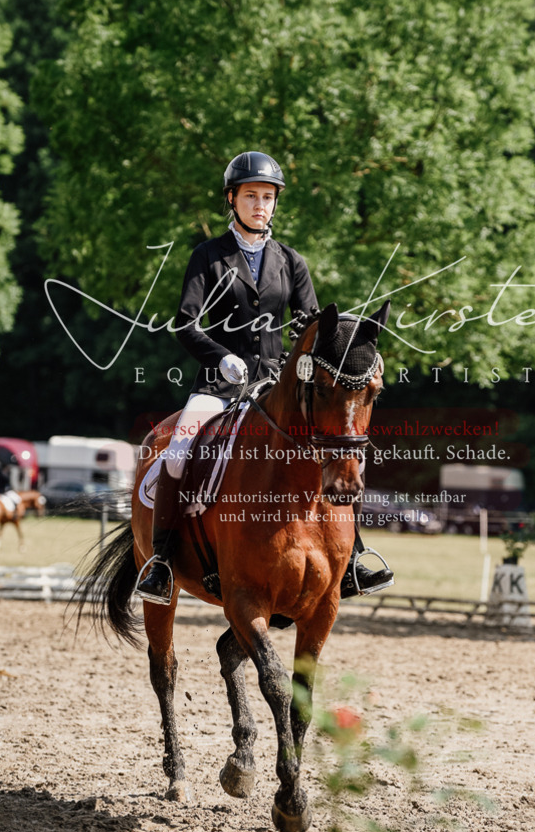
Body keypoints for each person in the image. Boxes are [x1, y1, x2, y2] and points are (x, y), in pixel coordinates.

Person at [136, 150, 393, 605]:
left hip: (277, 387)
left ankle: (352, 557)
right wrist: (219, 357)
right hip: (219, 386)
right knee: (176, 453)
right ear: (232, 199)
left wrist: (358, 355)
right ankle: (160, 562)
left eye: (268, 197)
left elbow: (313, 327)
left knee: (337, 448)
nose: (260, 204)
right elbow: (185, 323)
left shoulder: (290, 261)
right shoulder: (208, 256)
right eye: (251, 195)